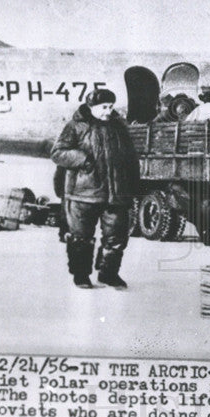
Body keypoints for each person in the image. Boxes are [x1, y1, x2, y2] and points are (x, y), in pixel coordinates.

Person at [51, 88, 139, 289]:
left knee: (116, 238)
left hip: (115, 195)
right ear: (91, 107)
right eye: (103, 107)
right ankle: (81, 275)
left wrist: (133, 186)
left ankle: (108, 274)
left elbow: (131, 159)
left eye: (110, 106)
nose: (108, 111)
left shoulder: (119, 127)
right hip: (84, 194)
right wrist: (83, 159)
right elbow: (57, 152)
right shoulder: (76, 126)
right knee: (81, 238)